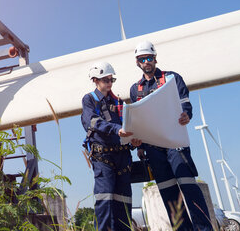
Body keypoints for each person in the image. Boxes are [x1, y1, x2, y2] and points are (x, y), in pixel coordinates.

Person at [130, 41, 212, 231]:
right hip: (153, 148)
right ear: (137, 62)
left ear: (155, 58)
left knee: (189, 187)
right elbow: (138, 118)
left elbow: (185, 103)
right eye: (142, 59)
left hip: (175, 143)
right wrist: (140, 147)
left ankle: (204, 228)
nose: (146, 62)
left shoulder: (172, 78)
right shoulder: (135, 90)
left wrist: (186, 114)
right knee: (169, 194)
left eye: (149, 58)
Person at [82, 61, 141, 231]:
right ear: (95, 80)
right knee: (105, 201)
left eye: (111, 80)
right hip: (103, 159)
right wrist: (117, 129)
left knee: (124, 203)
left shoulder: (119, 103)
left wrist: (134, 141)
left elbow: (128, 127)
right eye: (105, 80)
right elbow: (92, 122)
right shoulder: (89, 100)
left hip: (123, 158)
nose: (108, 83)